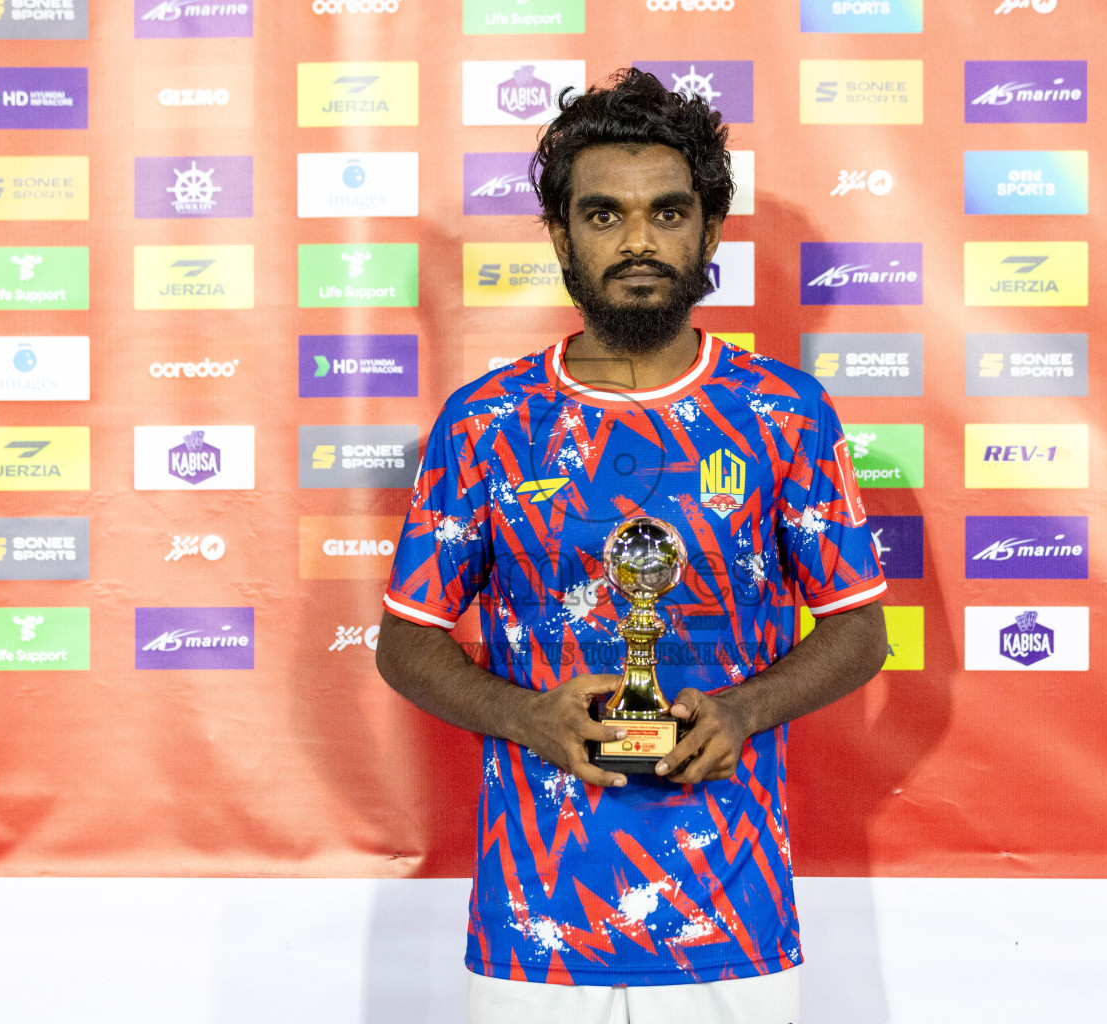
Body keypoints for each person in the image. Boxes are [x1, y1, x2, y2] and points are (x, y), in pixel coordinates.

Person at [376, 68, 889, 1024]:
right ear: (561, 235)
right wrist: (526, 716)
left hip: (729, 910)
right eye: (604, 215)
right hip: (536, 919)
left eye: (668, 211)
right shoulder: (488, 420)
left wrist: (741, 709)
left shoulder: (783, 413)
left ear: (711, 232)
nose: (639, 240)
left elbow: (860, 631)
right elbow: (405, 641)